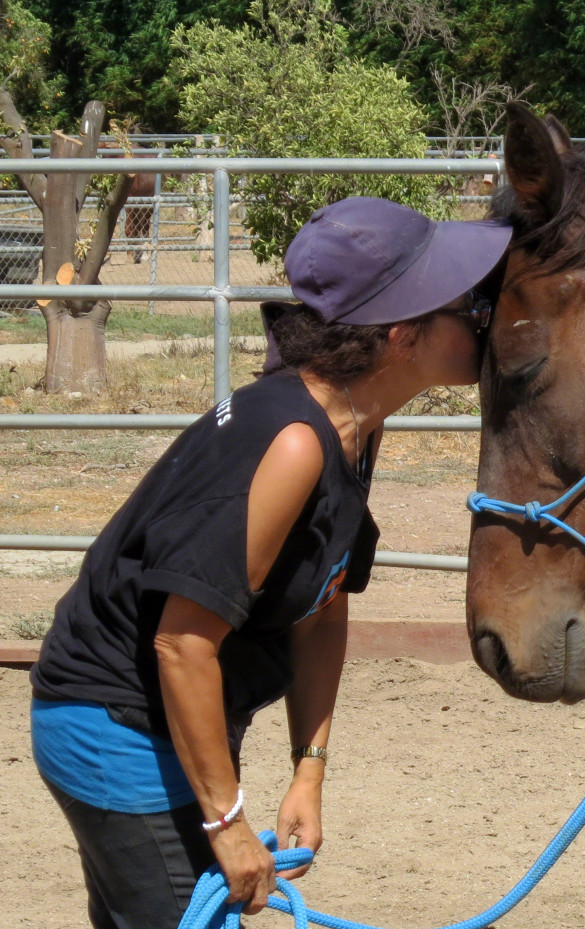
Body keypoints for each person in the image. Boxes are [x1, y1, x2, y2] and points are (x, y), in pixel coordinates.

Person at [29, 197, 513, 929]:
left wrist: (307, 770)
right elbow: (182, 642)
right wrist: (226, 820)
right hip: (115, 724)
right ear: (403, 334)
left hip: (169, 722)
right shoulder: (294, 442)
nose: (484, 315)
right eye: (467, 302)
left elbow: (322, 607)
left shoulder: (352, 426)